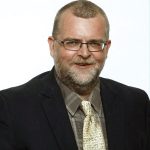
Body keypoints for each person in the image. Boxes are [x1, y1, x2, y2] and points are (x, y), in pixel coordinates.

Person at [0, 0, 150, 150]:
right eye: (72, 42)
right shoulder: (11, 108)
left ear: (106, 48)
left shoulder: (136, 104)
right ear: (52, 46)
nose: (84, 53)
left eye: (94, 43)